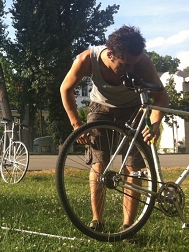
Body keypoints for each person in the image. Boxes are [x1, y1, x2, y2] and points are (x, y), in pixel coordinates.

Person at [60, 25, 169, 232]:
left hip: (134, 108)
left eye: (133, 64)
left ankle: (128, 226)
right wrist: (77, 124)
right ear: (110, 54)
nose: (130, 69)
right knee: (99, 163)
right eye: (125, 64)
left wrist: (155, 122)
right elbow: (66, 88)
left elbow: (161, 96)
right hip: (100, 108)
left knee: (134, 168)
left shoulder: (142, 62)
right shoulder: (86, 59)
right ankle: (97, 221)